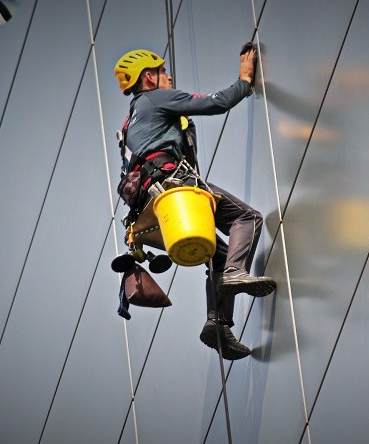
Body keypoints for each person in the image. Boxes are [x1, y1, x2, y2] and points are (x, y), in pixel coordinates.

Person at [113, 46, 275, 360]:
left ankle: (217, 325)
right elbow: (216, 103)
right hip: (174, 188)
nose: (169, 76)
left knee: (220, 254)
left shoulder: (131, 120)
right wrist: (244, 81)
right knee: (248, 219)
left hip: (151, 210)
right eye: (163, 71)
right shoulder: (154, 98)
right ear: (149, 77)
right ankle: (236, 273)